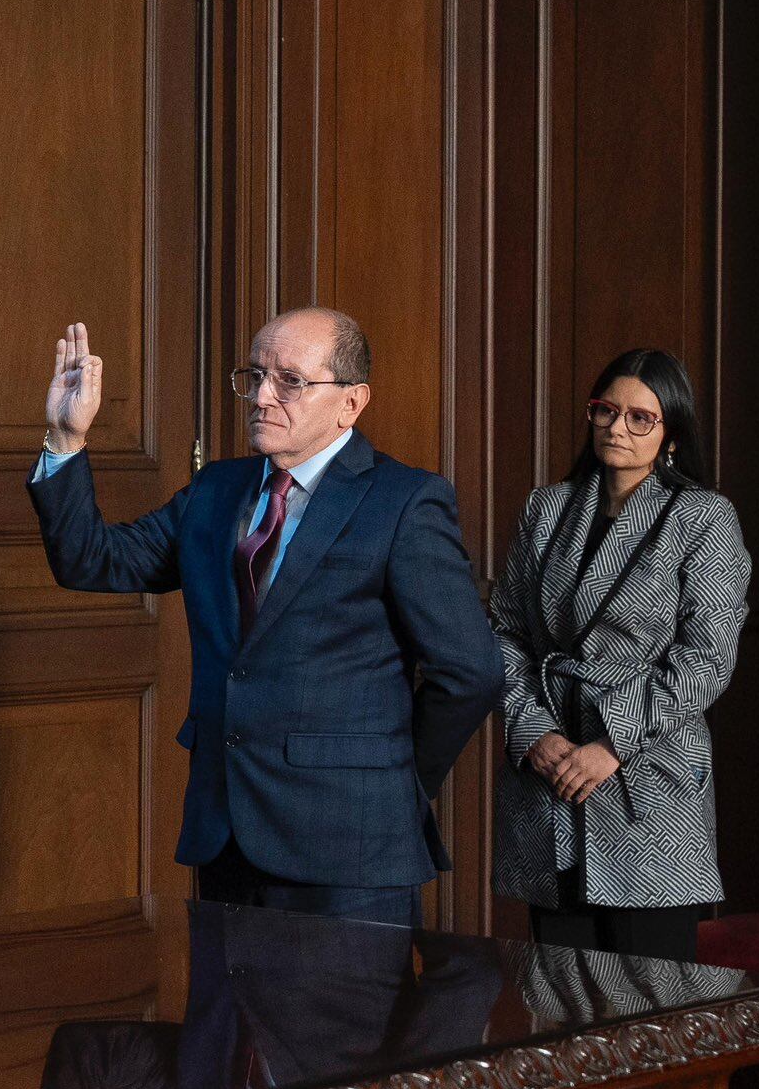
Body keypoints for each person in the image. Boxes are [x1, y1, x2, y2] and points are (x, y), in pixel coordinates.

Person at [29, 311, 503, 927]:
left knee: (339, 1024)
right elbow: (93, 561)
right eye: (253, 376)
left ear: (350, 403)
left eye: (289, 380)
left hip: (350, 841)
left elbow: (470, 671)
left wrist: (396, 780)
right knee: (222, 1025)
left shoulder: (406, 501)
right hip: (224, 832)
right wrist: (66, 439)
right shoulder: (216, 489)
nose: (261, 396)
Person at [490, 349, 749, 962]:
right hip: (549, 775)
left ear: (671, 435)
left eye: (640, 418)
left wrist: (610, 743)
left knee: (650, 1003)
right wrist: (533, 734)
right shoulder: (547, 508)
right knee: (556, 994)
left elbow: (706, 658)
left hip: (647, 782)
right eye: (606, 410)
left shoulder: (703, 518)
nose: (616, 428)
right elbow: (504, 631)